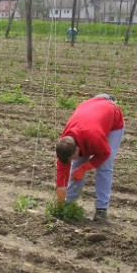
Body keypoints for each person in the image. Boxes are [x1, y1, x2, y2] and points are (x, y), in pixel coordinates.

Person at [55, 94, 125, 222]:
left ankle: (101, 209)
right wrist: (60, 204)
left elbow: (104, 154)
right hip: (91, 110)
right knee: (77, 165)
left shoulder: (94, 137)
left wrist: (85, 168)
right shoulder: (65, 143)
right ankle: (69, 204)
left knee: (104, 166)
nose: (70, 161)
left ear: (77, 149)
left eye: (72, 157)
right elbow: (61, 175)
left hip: (112, 119)